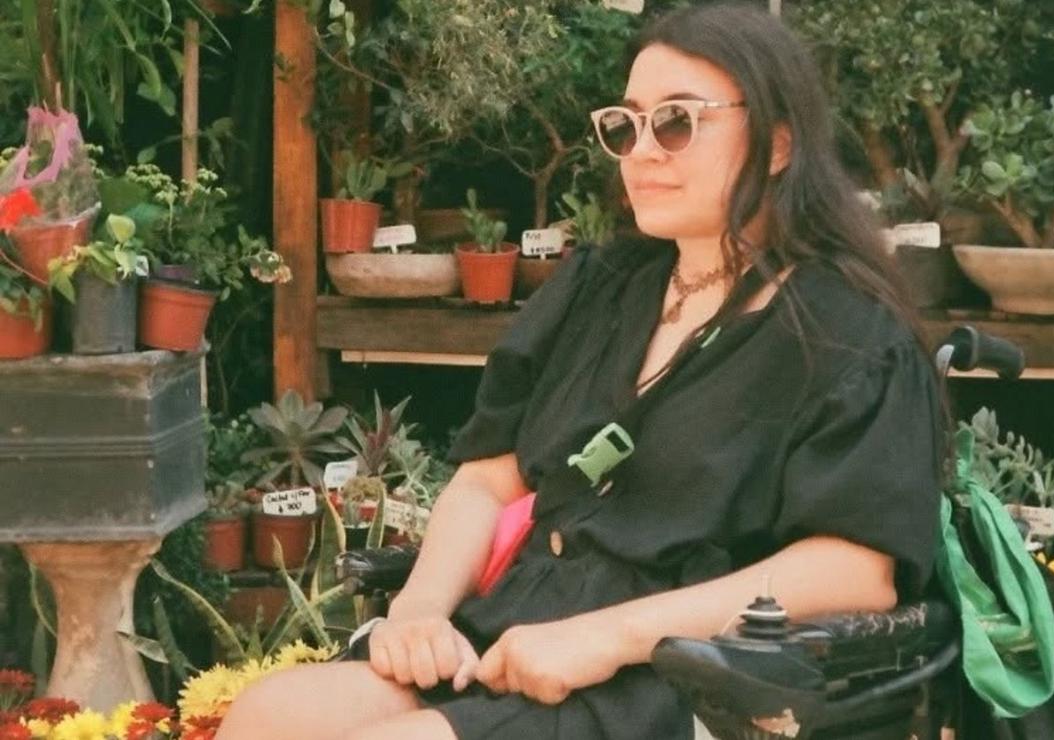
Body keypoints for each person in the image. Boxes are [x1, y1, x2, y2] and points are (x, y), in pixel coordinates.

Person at [217, 3, 944, 739]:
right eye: (626, 126)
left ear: (779, 143)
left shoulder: (849, 336)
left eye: (677, 122)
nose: (642, 152)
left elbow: (856, 571)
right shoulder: (602, 286)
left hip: (681, 674)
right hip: (518, 630)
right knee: (265, 716)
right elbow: (488, 477)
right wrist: (421, 612)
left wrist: (608, 637)